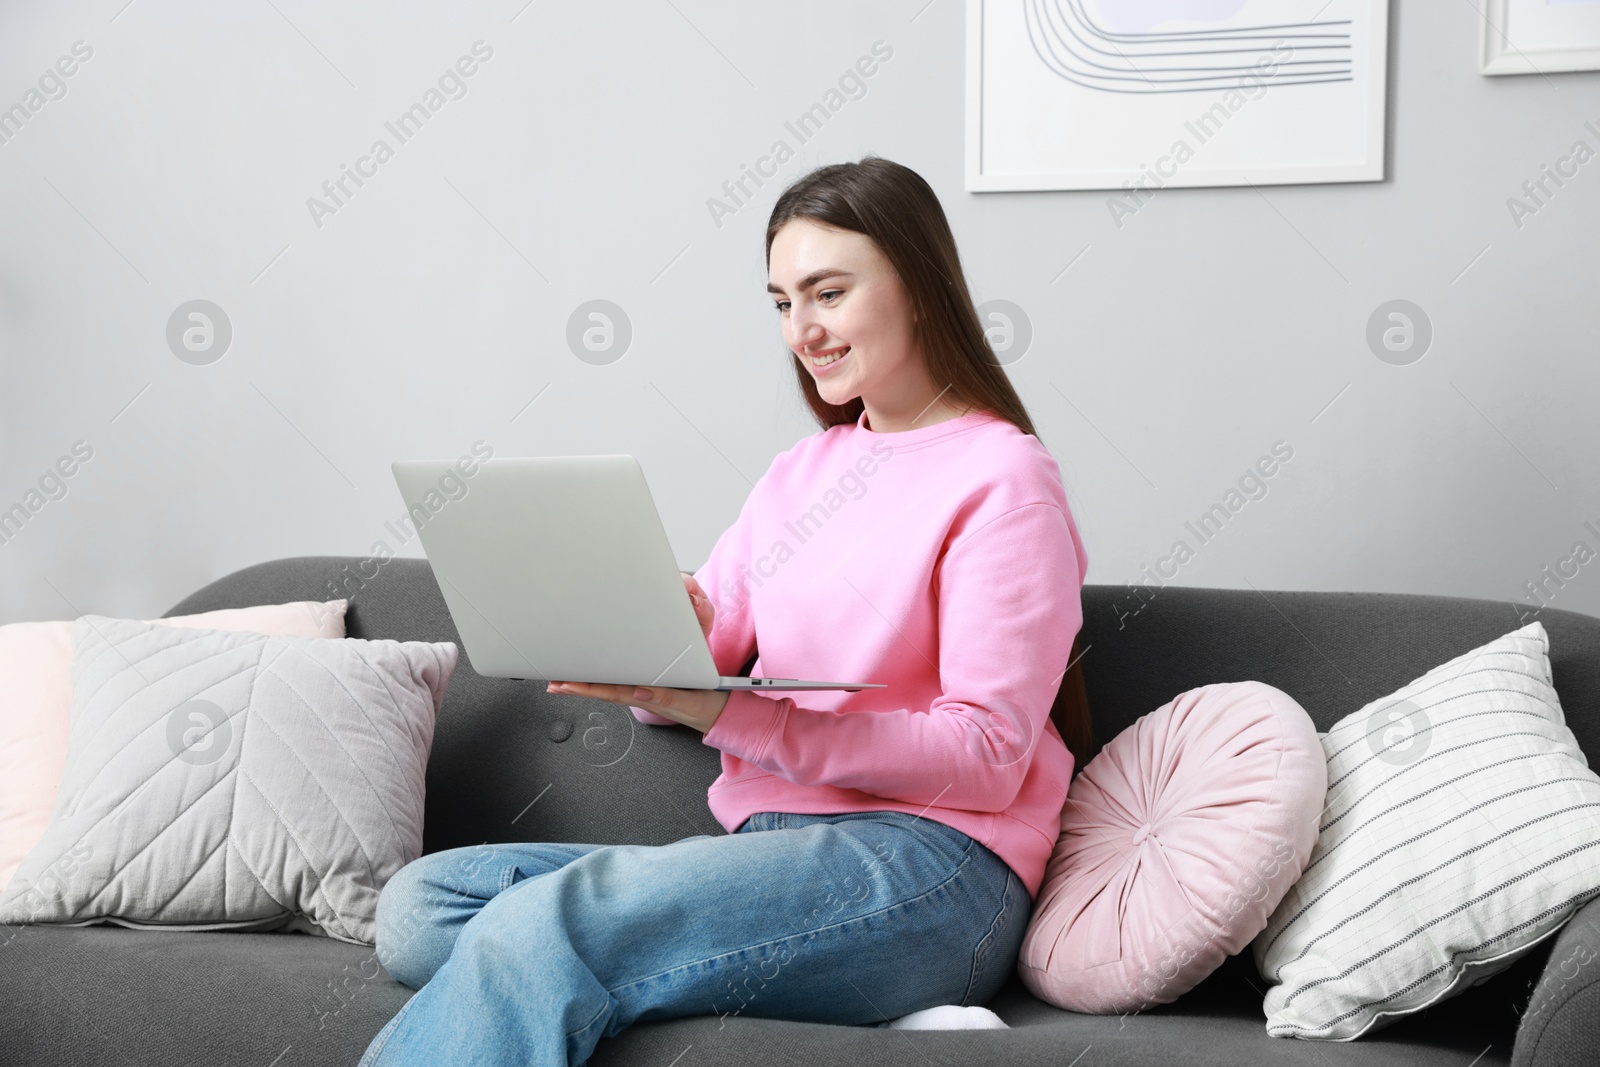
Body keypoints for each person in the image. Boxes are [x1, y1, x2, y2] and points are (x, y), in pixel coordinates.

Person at [356, 155, 1092, 1067]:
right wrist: (660, 628)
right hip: (771, 853)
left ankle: (787, 974)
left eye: (827, 292)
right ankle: (816, 995)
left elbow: (983, 757)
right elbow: (693, 662)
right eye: (783, 302)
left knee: (546, 927)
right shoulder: (801, 475)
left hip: (929, 869)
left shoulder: (1005, 480)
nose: (803, 329)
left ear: (920, 287)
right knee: (421, 907)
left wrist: (733, 711)